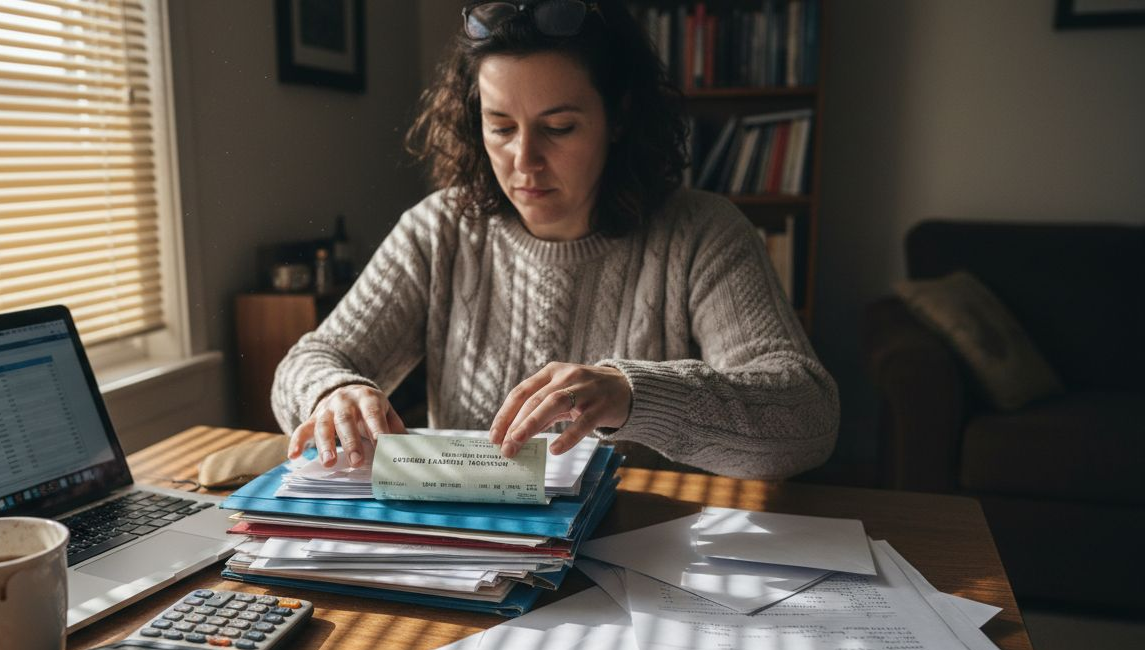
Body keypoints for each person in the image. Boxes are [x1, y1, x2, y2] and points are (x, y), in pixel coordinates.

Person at [272, 0, 838, 479]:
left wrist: (633, 393)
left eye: (558, 127)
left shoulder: (701, 233)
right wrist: (331, 393)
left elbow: (808, 417)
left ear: (618, 117)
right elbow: (312, 358)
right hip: (474, 558)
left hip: (645, 559)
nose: (524, 161)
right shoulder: (437, 229)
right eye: (500, 127)